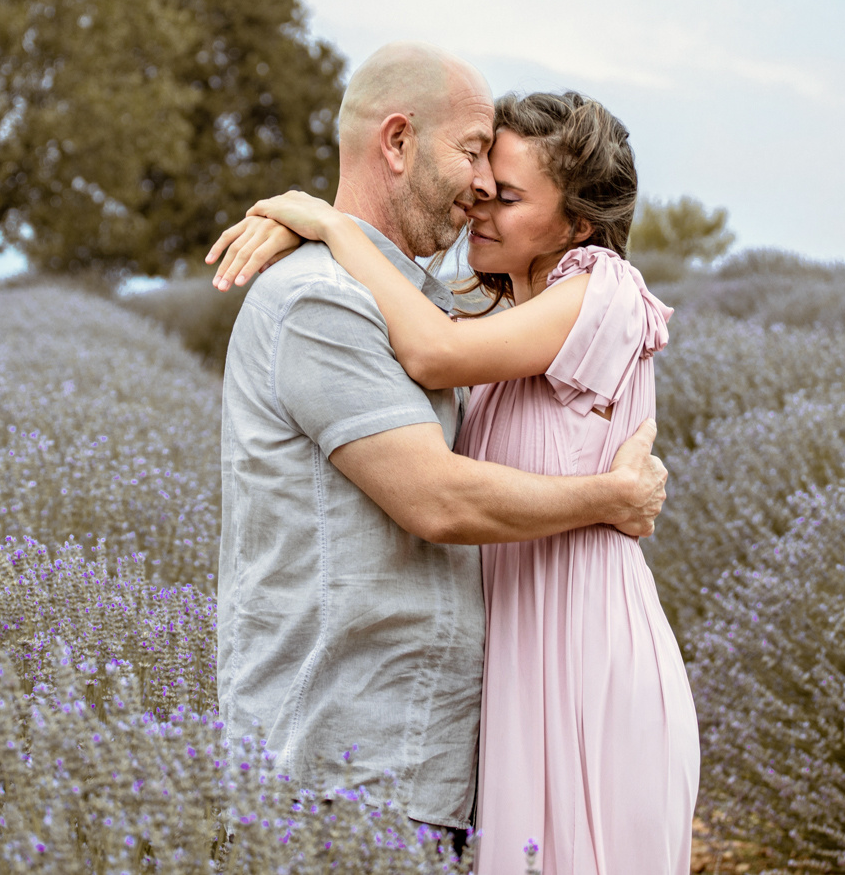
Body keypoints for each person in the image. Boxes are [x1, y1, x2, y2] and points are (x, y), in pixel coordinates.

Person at [211, 85, 699, 875]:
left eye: (506, 195)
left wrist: (331, 224)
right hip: (519, 660)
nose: (480, 205)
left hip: (584, 652)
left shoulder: (600, 287)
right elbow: (419, 320)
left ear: (576, 225)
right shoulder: (506, 326)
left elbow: (432, 352)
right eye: (480, 178)